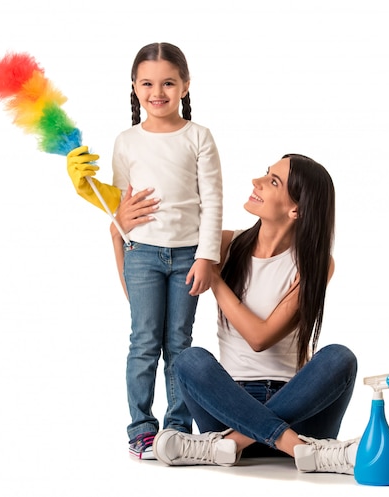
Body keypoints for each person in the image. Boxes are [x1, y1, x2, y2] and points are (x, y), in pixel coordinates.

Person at [112, 154, 359, 474]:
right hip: (228, 403)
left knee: (340, 357)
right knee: (189, 360)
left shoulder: (317, 263)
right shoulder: (225, 244)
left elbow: (260, 337)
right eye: (266, 174)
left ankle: (230, 443)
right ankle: (298, 448)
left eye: (273, 182)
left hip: (298, 405)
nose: (257, 182)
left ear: (295, 209)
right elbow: (144, 301)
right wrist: (118, 235)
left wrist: (214, 278)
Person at [66, 42, 223, 459]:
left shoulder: (199, 137)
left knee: (180, 343)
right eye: (148, 83)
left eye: (169, 82)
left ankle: (176, 427)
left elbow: (212, 201)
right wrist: (110, 208)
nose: (158, 91)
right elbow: (122, 204)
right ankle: (141, 428)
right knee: (144, 341)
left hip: (189, 255)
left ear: (185, 86)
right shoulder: (126, 141)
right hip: (142, 255)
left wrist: (208, 256)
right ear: (134, 87)